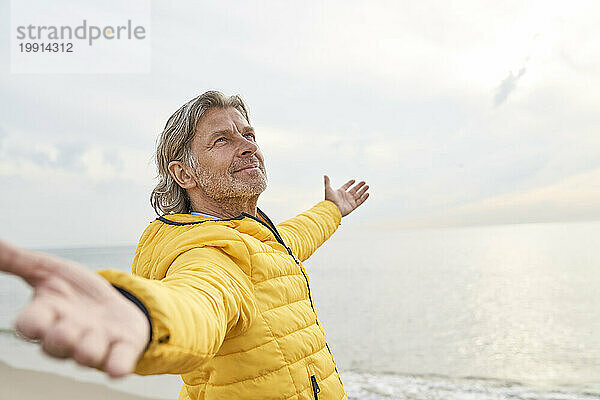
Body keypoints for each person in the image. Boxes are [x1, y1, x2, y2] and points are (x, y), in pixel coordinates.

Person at [0, 91, 370, 400]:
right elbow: (199, 299)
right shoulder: (206, 252)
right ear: (184, 173)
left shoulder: (257, 237)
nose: (247, 147)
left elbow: (297, 235)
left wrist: (332, 209)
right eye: (222, 139)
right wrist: (142, 314)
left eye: (249, 135)